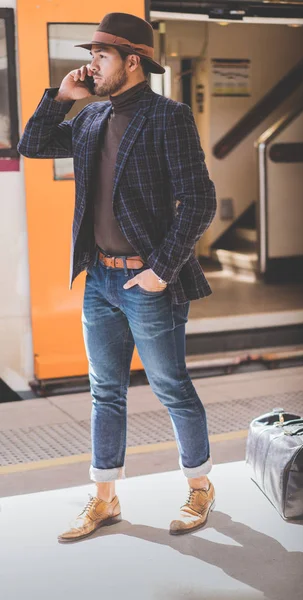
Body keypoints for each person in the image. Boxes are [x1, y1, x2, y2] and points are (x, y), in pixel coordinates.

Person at [18, 12, 217, 543]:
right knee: (105, 391)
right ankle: (105, 501)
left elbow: (200, 200)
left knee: (171, 387)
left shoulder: (167, 117)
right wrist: (61, 96)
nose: (90, 64)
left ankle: (199, 486)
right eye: (91, 55)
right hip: (100, 281)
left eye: (101, 56)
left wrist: (160, 271)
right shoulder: (88, 118)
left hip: (146, 283)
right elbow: (32, 145)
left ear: (133, 62)